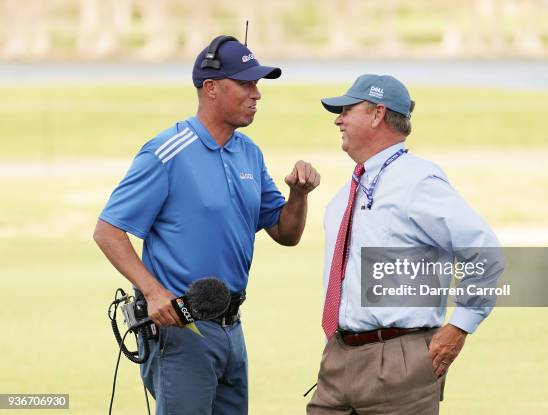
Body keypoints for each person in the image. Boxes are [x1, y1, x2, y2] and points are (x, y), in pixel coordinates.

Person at [93, 35, 320, 415]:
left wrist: (299, 195)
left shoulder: (250, 151)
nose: (257, 94)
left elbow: (286, 234)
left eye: (257, 84)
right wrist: (152, 292)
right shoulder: (167, 152)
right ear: (211, 89)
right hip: (183, 330)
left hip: (234, 328)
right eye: (246, 83)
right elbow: (107, 230)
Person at [307, 74, 503, 414]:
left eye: (347, 110)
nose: (338, 119)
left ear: (377, 113)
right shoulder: (344, 195)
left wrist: (460, 326)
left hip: (400, 359)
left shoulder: (418, 180)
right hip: (338, 358)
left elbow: (484, 252)